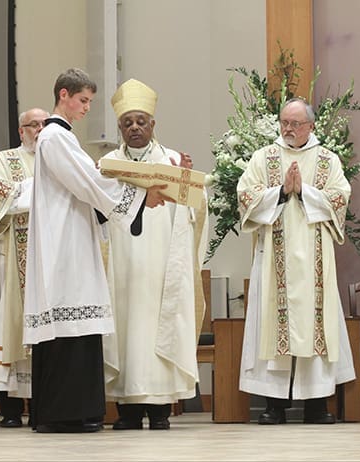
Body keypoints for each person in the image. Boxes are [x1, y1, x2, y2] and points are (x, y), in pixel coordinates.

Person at [23, 68, 168, 433]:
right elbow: (89, 182)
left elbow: (88, 184)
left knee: (76, 324)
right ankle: (63, 414)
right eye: (83, 100)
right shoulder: (55, 137)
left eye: (89, 101)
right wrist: (138, 196)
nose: (87, 108)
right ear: (64, 95)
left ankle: (74, 412)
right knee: (69, 323)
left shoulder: (62, 138)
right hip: (64, 245)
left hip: (72, 233)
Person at [236, 97, 355, 425]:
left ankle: (317, 405)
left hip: (315, 258)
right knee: (273, 327)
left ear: (311, 126)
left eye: (295, 124)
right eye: (284, 123)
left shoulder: (328, 160)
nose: (288, 129)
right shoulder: (264, 157)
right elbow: (245, 194)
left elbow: (340, 197)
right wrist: (280, 192)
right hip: (273, 258)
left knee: (315, 323)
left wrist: (303, 192)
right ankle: (274, 406)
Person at [102, 79, 208, 430]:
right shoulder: (108, 164)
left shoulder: (174, 159)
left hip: (163, 261)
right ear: (120, 127)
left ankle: (161, 409)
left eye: (140, 121)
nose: (134, 127)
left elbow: (196, 209)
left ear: (153, 125)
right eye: (127, 122)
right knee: (127, 327)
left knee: (161, 325)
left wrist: (187, 180)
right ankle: (129, 411)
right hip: (123, 264)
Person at [0, 107, 49, 428]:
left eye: (43, 124)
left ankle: (42, 408)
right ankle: (9, 409)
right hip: (14, 261)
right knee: (9, 328)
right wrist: (38, 189)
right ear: (21, 131)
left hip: (50, 263)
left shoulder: (60, 159)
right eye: (32, 125)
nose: (38, 129)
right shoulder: (2, 161)